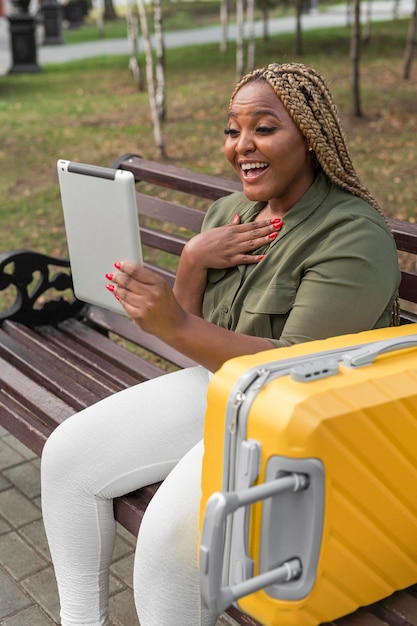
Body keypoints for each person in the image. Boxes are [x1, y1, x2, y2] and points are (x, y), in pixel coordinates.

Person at [41, 62, 400, 626]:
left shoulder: (352, 236)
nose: (241, 146)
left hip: (298, 426)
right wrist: (191, 259)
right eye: (233, 130)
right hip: (224, 389)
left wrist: (177, 325)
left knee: (165, 544)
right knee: (66, 457)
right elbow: (188, 334)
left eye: (264, 127)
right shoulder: (232, 214)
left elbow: (290, 371)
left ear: (309, 134)